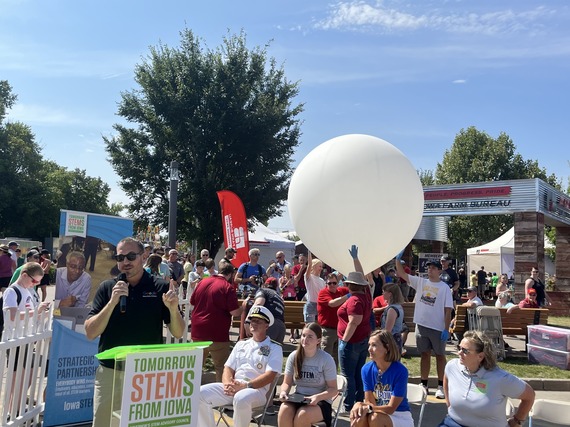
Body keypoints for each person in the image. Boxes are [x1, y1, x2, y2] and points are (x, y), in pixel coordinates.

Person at [84, 237, 184, 427]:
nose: (125, 262)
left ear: (143, 256)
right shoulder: (107, 288)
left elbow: (178, 332)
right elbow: (90, 332)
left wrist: (172, 309)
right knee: (104, 423)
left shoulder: (159, 287)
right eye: (120, 258)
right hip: (110, 372)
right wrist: (112, 302)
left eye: (131, 256)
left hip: (146, 373)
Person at [198, 305, 282, 427]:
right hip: (234, 387)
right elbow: (228, 368)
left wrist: (246, 386)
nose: (253, 323)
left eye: (258, 321)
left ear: (267, 326)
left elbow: (270, 375)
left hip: (256, 391)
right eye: (252, 320)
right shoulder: (241, 344)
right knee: (200, 394)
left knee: (241, 398)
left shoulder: (274, 348)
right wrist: (227, 385)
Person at [439, 331, 535, 427]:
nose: (459, 353)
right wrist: (449, 404)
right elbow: (447, 378)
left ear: (480, 356)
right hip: (453, 423)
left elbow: (529, 395)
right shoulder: (452, 366)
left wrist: (517, 421)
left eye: (465, 351)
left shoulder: (500, 378)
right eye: (459, 348)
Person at [395, 258, 453, 400]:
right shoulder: (421, 282)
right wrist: (397, 260)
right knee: (424, 355)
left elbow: (447, 310)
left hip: (438, 327)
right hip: (422, 325)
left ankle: (441, 385)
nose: (430, 270)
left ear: (440, 270)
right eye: (429, 268)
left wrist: (446, 329)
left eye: (433, 268)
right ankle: (424, 383)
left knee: (440, 356)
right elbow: (402, 274)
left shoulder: (444, 288)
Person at [190, 260, 243, 381]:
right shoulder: (227, 287)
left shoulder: (202, 282)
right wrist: (243, 307)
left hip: (198, 331)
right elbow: (234, 312)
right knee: (221, 366)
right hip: (217, 333)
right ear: (230, 274)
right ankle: (221, 395)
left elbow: (192, 302)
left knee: (195, 366)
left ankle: (190, 392)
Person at [278, 323, 338, 427]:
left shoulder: (326, 359)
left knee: (303, 414)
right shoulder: (294, 356)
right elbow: (286, 382)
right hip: (298, 397)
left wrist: (317, 397)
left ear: (318, 341)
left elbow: (333, 389)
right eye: (303, 335)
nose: (305, 339)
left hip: (320, 401)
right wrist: (283, 392)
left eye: (310, 336)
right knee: (284, 410)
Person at [350, 330, 414, 427]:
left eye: (374, 345)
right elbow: (369, 402)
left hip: (399, 415)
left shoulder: (400, 371)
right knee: (358, 417)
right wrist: (359, 406)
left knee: (375, 418)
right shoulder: (366, 369)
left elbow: (391, 408)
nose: (369, 349)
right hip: (376, 413)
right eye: (369, 345)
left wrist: (367, 408)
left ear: (387, 348)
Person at [337, 270, 372, 413]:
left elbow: (354, 321)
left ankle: (349, 405)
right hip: (362, 339)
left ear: (349, 285)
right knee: (357, 372)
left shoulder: (354, 300)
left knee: (348, 375)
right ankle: (358, 400)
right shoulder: (366, 296)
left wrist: (344, 341)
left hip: (352, 342)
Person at [317, 272, 350, 366]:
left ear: (337, 283)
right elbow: (332, 303)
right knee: (325, 356)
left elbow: (354, 289)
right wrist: (347, 296)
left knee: (336, 358)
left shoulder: (341, 291)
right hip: (327, 330)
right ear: (326, 284)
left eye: (334, 283)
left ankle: (333, 376)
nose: (332, 285)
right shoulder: (323, 293)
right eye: (329, 283)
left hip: (339, 330)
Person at [251, 277, 286, 343]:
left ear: (266, 284)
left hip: (269, 325)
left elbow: (258, 304)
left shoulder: (263, 290)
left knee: (261, 351)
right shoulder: (279, 297)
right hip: (281, 327)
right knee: (274, 352)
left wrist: (247, 321)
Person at [379, 283, 405, 352]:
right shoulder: (398, 306)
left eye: (384, 291)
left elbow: (388, 330)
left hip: (391, 341)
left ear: (390, 294)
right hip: (396, 340)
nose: (382, 293)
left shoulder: (392, 309)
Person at [303, 252, 326, 323]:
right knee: (309, 327)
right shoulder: (309, 277)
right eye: (319, 266)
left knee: (317, 329)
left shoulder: (322, 280)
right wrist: (309, 252)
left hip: (320, 305)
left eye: (321, 266)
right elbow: (309, 265)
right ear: (314, 266)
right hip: (311, 305)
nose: (321, 268)